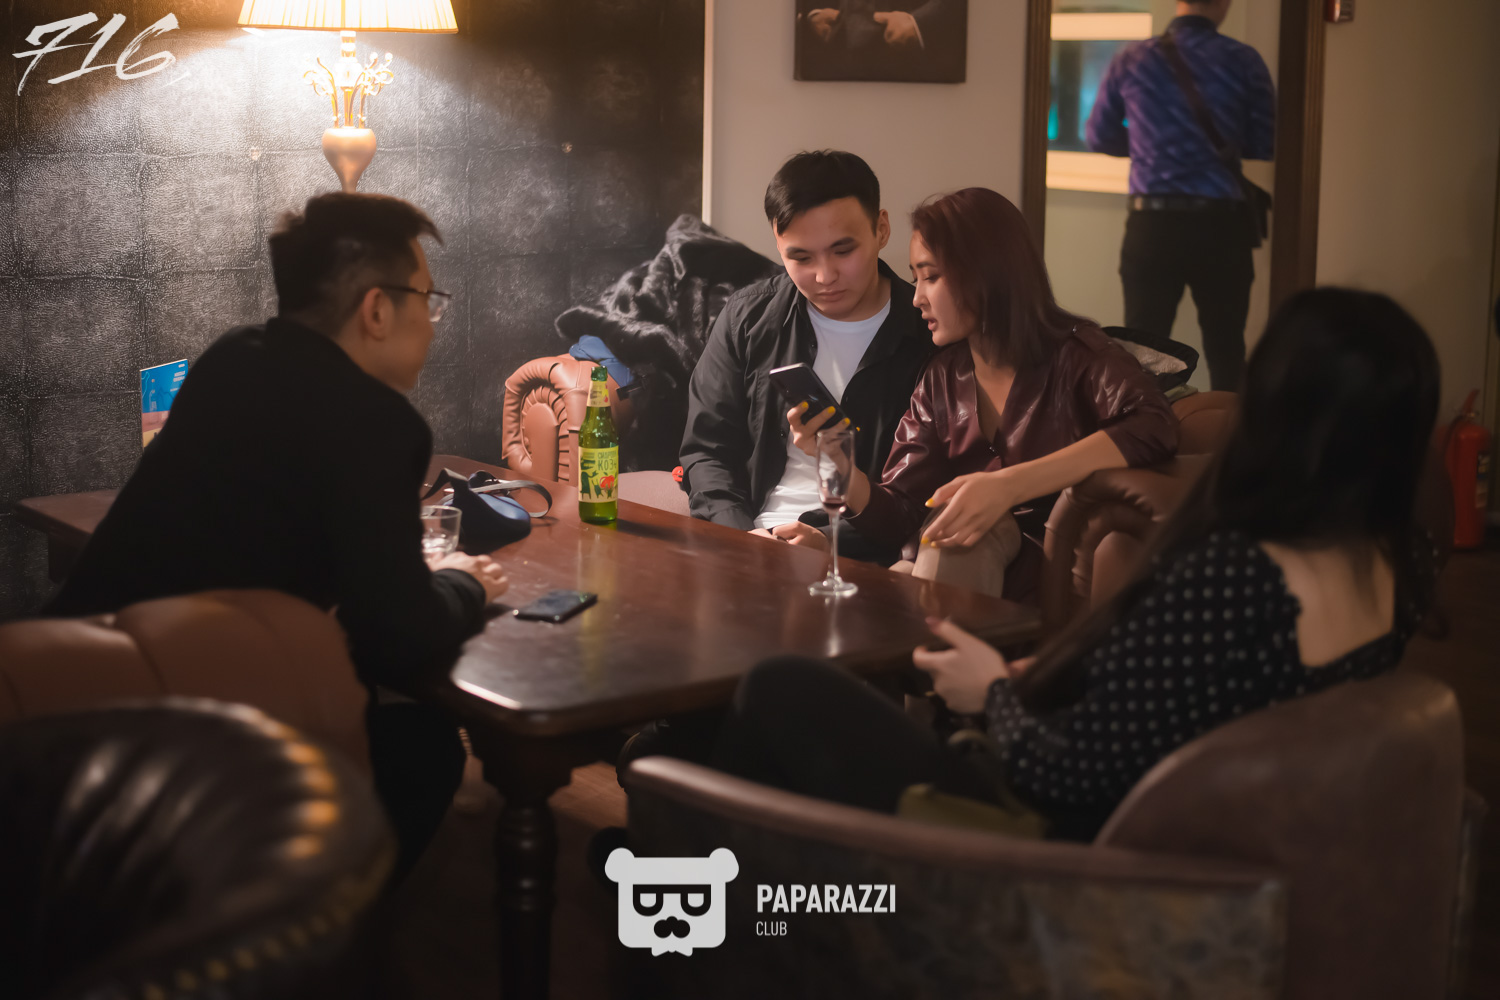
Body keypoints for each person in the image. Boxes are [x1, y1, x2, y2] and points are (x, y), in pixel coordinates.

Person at [712, 288, 1442, 842]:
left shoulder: (1239, 576)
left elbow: (1071, 773)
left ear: (1279, 409)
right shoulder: (1402, 559)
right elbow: (1196, 697)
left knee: (780, 688)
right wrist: (1055, 679)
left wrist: (992, 692)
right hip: (1173, 814)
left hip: (1048, 836)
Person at [47, 192, 508, 878]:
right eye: (428, 299)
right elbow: (397, 635)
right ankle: (294, 928)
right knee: (425, 746)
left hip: (60, 691)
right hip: (178, 737)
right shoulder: (378, 424)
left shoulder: (232, 357)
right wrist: (464, 585)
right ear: (377, 310)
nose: (433, 322)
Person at [786, 187, 1177, 601]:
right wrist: (839, 465)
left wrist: (1010, 485)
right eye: (916, 278)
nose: (916, 298)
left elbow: (1153, 424)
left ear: (986, 272)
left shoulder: (1079, 356)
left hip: (1042, 572)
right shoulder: (942, 376)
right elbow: (902, 514)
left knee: (962, 529)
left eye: (931, 277)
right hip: (943, 566)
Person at [680, 149, 935, 563]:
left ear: (882, 229)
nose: (824, 276)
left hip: (862, 559)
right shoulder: (748, 317)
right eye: (800, 257)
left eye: (843, 251)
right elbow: (707, 451)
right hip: (749, 542)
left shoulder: (928, 333)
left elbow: (919, 497)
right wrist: (742, 537)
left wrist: (831, 544)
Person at [1086, 0, 1276, 391]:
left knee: (1142, 352)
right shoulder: (1243, 60)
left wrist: (1148, 146)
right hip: (1222, 226)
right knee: (1226, 348)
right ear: (1225, 3)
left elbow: (1098, 135)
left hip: (1152, 225)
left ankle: (1145, 427)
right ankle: (1228, 429)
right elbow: (1264, 142)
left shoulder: (1133, 59)